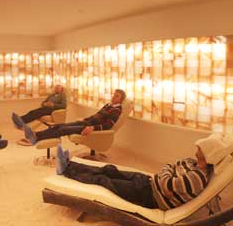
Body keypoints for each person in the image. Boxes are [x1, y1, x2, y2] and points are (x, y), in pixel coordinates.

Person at [54, 134, 227, 210]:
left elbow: (166, 181)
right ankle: (70, 164)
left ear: (206, 152)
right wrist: (167, 176)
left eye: (200, 147)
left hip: (149, 196)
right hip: (149, 182)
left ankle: (67, 171)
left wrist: (166, 177)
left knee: (103, 180)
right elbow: (169, 167)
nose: (196, 147)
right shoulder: (192, 163)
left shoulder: (196, 178)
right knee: (109, 169)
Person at [19, 89, 126, 145]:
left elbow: (108, 125)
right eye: (113, 94)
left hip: (90, 128)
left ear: (121, 99)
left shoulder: (117, 109)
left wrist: (92, 128)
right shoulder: (108, 105)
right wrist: (86, 119)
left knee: (63, 129)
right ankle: (35, 134)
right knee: (59, 125)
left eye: (116, 96)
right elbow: (96, 115)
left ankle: (36, 137)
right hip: (87, 123)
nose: (113, 96)